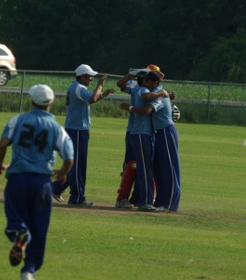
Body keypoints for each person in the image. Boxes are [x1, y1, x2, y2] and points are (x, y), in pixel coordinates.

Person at [0, 84, 74, 280]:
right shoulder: (57, 128)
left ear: (31, 100)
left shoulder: (18, 120)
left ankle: (20, 232)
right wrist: (63, 173)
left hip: (18, 178)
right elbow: (69, 157)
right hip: (42, 182)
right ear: (51, 102)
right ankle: (28, 270)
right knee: (39, 227)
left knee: (17, 218)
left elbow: (3, 144)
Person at [52, 64, 114, 206]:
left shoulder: (75, 87)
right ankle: (77, 197)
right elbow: (91, 99)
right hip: (77, 130)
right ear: (82, 76)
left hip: (75, 129)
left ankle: (56, 188)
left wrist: (103, 94)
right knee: (79, 166)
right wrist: (100, 85)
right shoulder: (79, 88)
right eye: (90, 76)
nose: (91, 79)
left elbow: (91, 99)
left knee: (75, 164)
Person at [121, 71, 181, 212]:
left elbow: (147, 110)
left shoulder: (160, 94)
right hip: (158, 133)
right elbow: (144, 95)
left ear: (155, 83)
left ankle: (170, 204)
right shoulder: (155, 93)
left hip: (166, 132)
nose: (145, 84)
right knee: (159, 170)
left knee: (170, 169)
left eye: (148, 82)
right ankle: (161, 201)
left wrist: (130, 108)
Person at [115, 67, 169, 208]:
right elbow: (146, 100)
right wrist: (162, 93)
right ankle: (145, 201)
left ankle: (124, 198)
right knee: (145, 168)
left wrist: (130, 74)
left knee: (130, 167)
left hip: (133, 132)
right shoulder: (144, 90)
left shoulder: (135, 88)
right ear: (145, 80)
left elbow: (120, 84)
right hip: (142, 133)